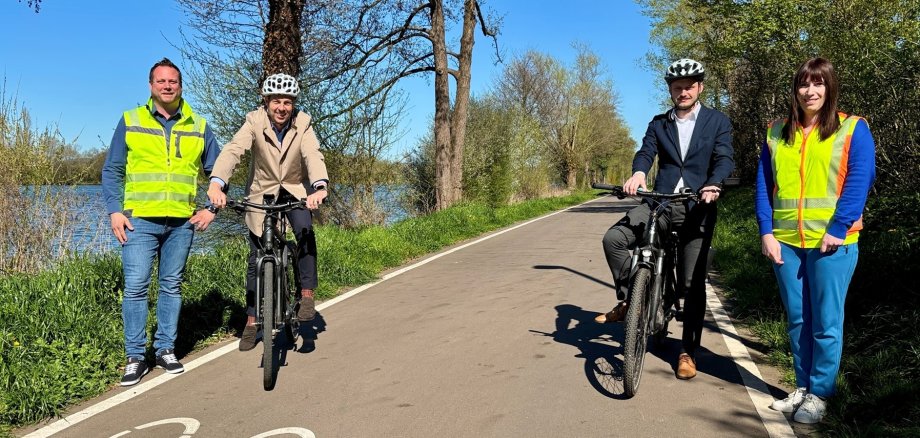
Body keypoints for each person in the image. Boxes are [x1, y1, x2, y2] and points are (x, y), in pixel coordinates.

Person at [596, 58, 734, 380]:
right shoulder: (659, 123)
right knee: (614, 239)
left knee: (690, 282)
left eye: (689, 86)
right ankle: (632, 299)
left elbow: (724, 158)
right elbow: (646, 151)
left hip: (697, 205)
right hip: (659, 202)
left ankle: (687, 351)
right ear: (670, 90)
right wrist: (639, 172)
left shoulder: (717, 122)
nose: (683, 91)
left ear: (699, 87)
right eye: (677, 87)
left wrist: (714, 183)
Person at [757, 57, 875, 424]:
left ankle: (821, 393)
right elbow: (764, 184)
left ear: (829, 87)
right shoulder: (776, 131)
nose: (811, 91)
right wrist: (766, 231)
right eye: (804, 85)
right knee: (797, 320)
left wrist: (838, 227)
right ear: (795, 90)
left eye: (818, 84)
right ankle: (803, 385)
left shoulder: (852, 128)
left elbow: (860, 178)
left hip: (833, 243)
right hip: (786, 241)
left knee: (826, 320)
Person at [102, 58, 221, 386]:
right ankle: (135, 356)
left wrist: (211, 208)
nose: (167, 86)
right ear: (151, 86)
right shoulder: (131, 120)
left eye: (173, 82)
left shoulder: (199, 124)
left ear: (180, 86)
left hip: (182, 223)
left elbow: (218, 172)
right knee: (137, 286)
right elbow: (112, 169)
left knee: (171, 285)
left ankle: (165, 349)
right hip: (139, 221)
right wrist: (114, 210)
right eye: (161, 82)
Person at [207, 72, 329, 352]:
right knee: (256, 257)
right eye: (276, 102)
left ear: (293, 104)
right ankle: (252, 321)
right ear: (266, 101)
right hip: (261, 192)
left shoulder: (304, 123)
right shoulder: (254, 121)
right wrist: (217, 183)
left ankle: (307, 294)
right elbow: (233, 150)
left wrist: (319, 187)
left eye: (287, 102)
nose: (282, 108)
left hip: (295, 190)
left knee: (305, 231)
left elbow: (313, 154)